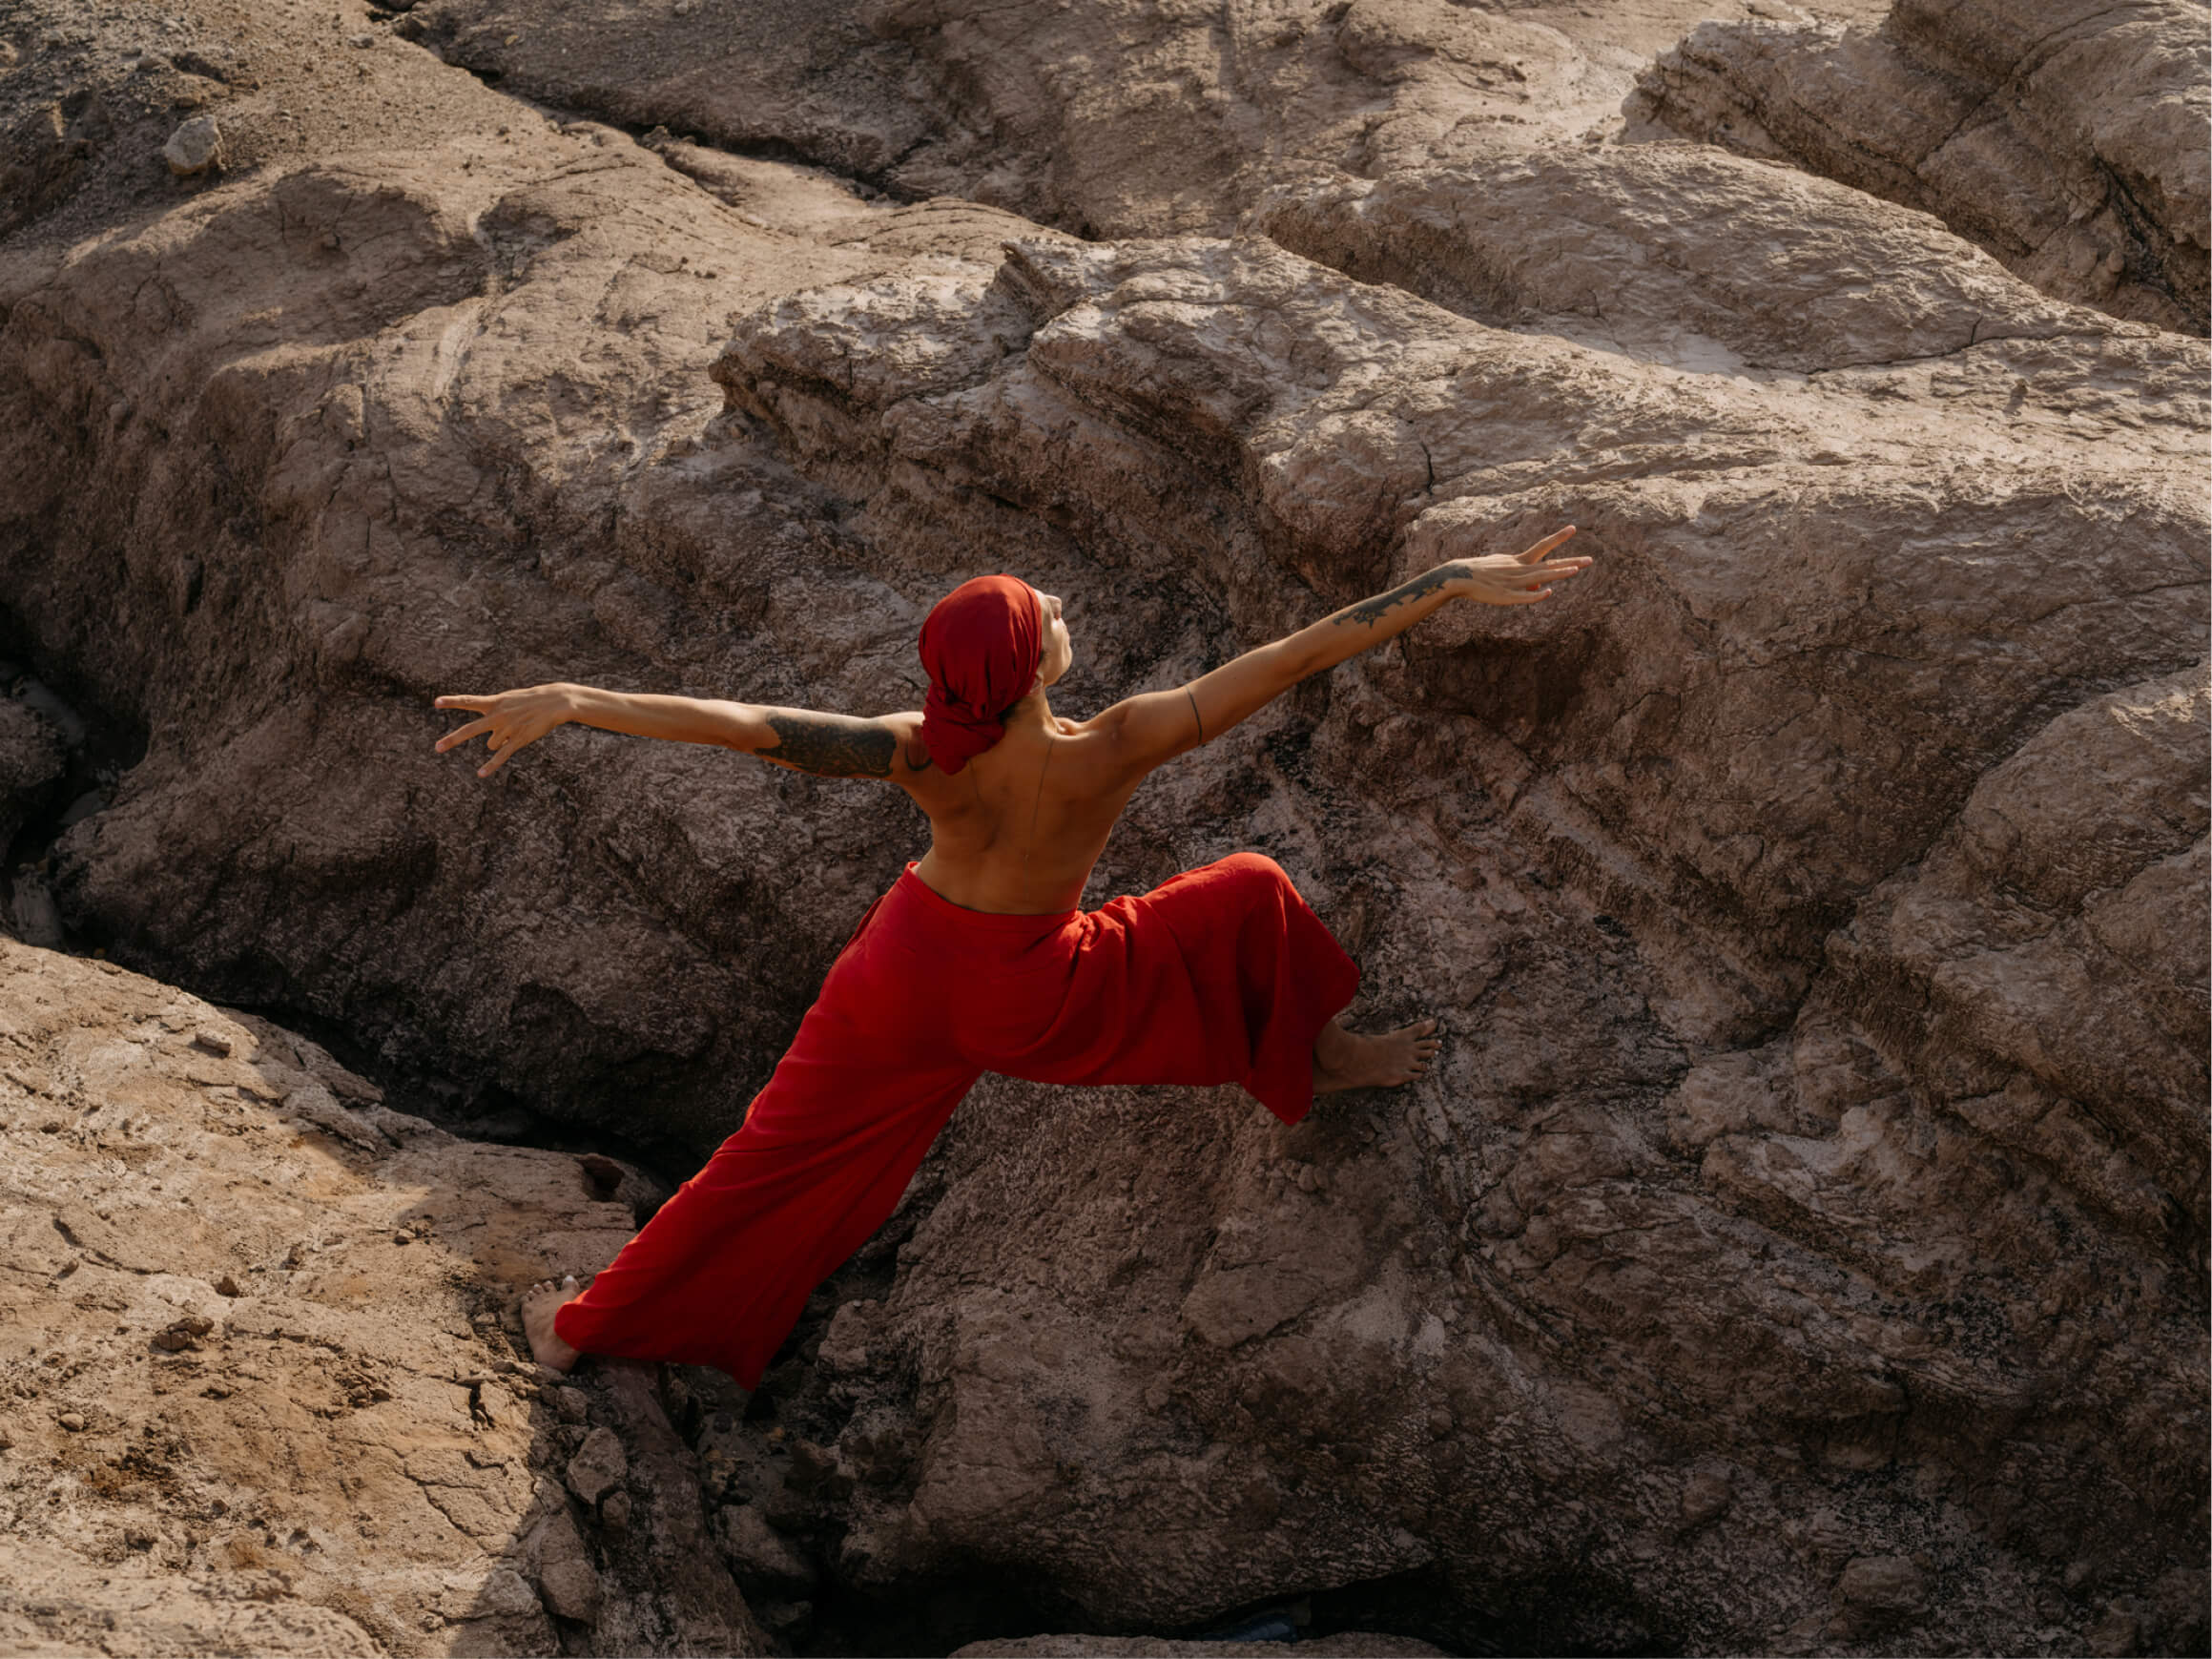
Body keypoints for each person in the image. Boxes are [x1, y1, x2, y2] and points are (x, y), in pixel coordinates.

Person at [432, 526, 1589, 1380]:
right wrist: (1447, 583)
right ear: (1035, 661)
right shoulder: (1117, 744)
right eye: (1043, 608)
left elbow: (744, 726)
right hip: (1027, 996)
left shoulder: (921, 753)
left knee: (763, 1162)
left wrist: (577, 697)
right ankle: (1318, 1058)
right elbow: (1290, 658)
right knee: (1251, 888)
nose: (1055, 603)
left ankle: (576, 1327)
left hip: (895, 979)